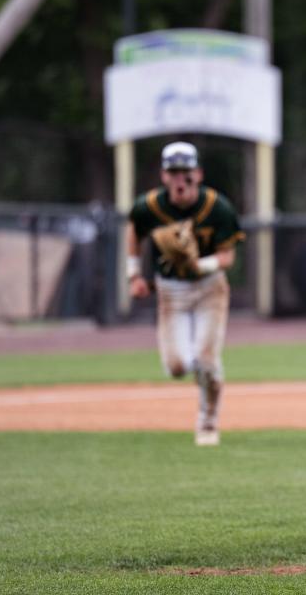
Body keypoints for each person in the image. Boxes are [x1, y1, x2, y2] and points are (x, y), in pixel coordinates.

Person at [127, 141, 244, 446]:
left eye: (186, 172)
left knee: (205, 361)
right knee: (178, 366)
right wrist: (134, 275)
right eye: (174, 172)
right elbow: (134, 231)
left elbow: (227, 258)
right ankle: (206, 374)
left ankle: (207, 419)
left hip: (210, 290)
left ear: (198, 173)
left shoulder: (217, 207)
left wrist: (197, 264)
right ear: (164, 176)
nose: (180, 179)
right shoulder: (149, 206)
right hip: (171, 292)